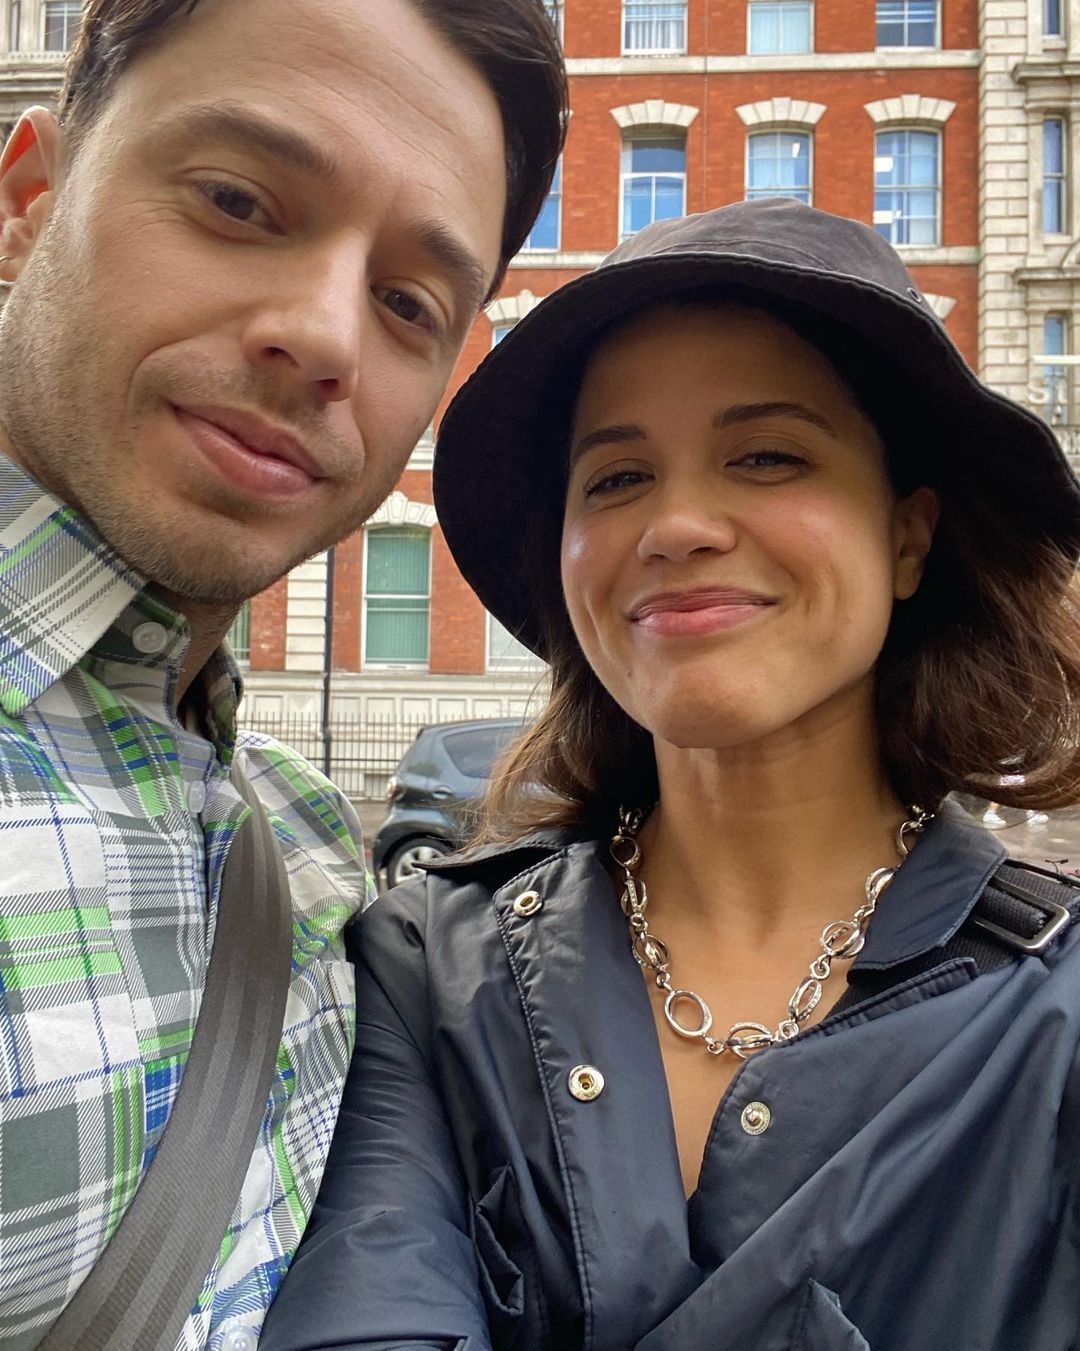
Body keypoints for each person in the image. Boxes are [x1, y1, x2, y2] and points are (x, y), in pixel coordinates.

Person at [261, 199, 1080, 1351]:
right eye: (615, 477)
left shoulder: (1053, 1009)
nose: (679, 523)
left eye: (768, 455)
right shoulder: (425, 968)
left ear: (906, 536)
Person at [0, 0, 565, 1344]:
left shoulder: (308, 850)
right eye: (238, 201)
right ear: (27, 203)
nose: (324, 336)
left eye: (409, 303)